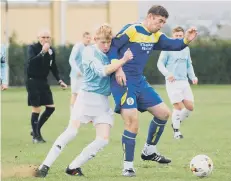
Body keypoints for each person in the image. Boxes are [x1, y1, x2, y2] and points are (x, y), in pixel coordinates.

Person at [107, 5, 198, 177]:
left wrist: (186, 39)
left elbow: (174, 45)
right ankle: (127, 166)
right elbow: (112, 47)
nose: (161, 25)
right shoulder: (132, 29)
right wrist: (117, 68)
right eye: (160, 21)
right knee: (132, 122)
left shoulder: (156, 36)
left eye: (164, 22)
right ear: (150, 17)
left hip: (139, 81)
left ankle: (149, 150)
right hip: (123, 80)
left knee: (163, 113)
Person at [34, 24, 133, 177]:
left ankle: (73, 166)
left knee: (103, 139)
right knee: (71, 132)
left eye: (108, 42)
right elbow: (102, 71)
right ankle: (44, 166)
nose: (106, 46)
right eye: (102, 42)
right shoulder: (89, 52)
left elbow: (114, 64)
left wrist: (120, 68)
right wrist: (124, 60)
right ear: (95, 40)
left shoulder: (110, 52)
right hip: (86, 98)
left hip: (102, 102)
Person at [26, 29, 67, 143]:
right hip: (32, 80)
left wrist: (59, 80)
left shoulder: (51, 50)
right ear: (38, 38)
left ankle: (35, 130)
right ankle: (36, 137)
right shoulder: (32, 48)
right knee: (37, 108)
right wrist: (42, 52)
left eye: (47, 37)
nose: (45, 39)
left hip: (43, 81)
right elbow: (31, 63)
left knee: (51, 107)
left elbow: (53, 67)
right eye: (43, 37)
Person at [157, 26, 198, 139]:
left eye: (181, 36)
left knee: (190, 107)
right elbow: (160, 64)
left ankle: (175, 121)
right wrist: (167, 74)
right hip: (172, 83)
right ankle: (176, 132)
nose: (179, 38)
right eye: (176, 36)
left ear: (183, 36)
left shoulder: (186, 48)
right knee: (178, 107)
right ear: (172, 36)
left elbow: (189, 64)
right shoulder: (167, 48)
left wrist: (193, 77)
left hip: (184, 82)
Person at [69, 32, 91, 110]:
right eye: (87, 37)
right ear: (83, 38)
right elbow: (71, 59)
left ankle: (85, 114)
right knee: (75, 94)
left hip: (85, 76)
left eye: (89, 38)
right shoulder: (78, 46)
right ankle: (73, 114)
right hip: (76, 75)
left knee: (86, 95)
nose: (88, 39)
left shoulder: (89, 48)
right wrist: (77, 70)